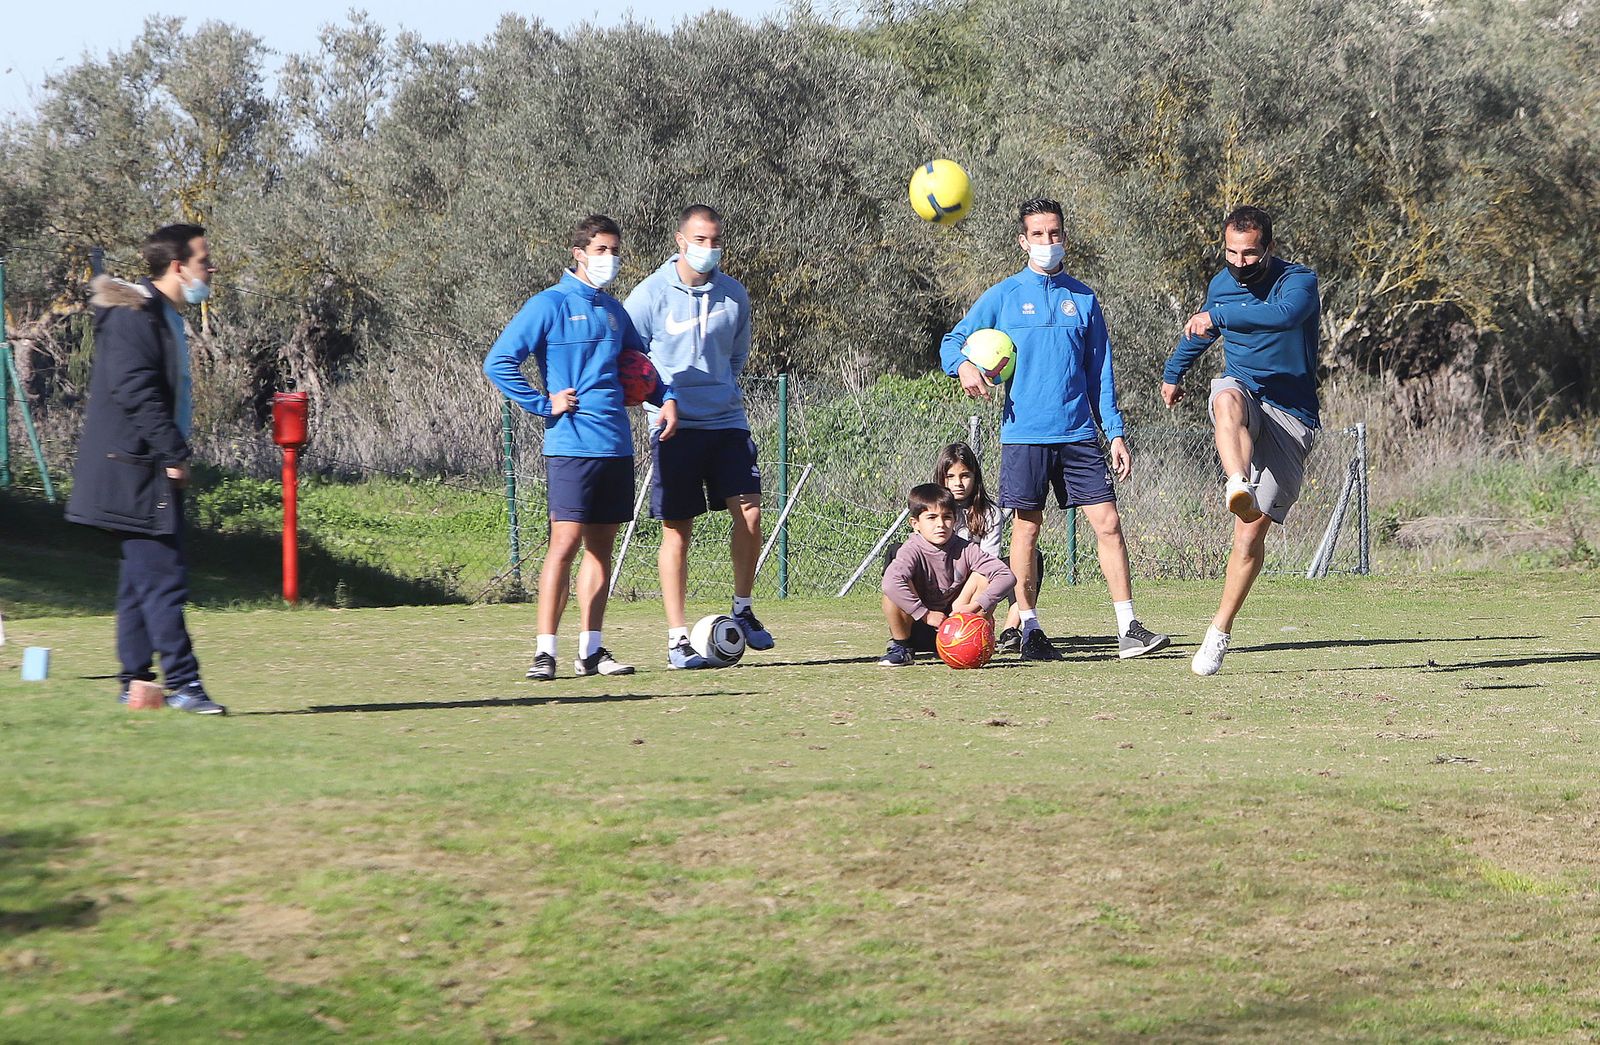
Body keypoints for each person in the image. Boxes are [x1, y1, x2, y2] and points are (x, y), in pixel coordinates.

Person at [940, 198, 1170, 661]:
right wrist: (963, 366)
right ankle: (1029, 630)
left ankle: (1129, 628)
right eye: (1039, 235)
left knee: (1108, 523)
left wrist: (1115, 431)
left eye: (1055, 233)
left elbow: (1099, 370)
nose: (1048, 242)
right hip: (1024, 435)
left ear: (1064, 236)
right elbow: (952, 341)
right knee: (1026, 530)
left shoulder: (1083, 298)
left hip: (1080, 433)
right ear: (1023, 241)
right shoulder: (1003, 295)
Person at [484, 214, 679, 680]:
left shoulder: (614, 311)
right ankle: (544, 652)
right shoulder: (548, 305)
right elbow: (499, 362)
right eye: (601, 250)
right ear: (578, 253)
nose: (609, 259)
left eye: (615, 251)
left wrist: (666, 399)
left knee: (600, 550)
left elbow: (641, 371)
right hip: (570, 444)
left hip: (615, 445)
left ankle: (591, 649)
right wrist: (541, 402)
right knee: (564, 544)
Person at [64, 223, 225, 714]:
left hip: (146, 469)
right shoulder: (136, 318)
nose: (210, 268)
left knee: (140, 580)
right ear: (178, 267)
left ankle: (135, 681)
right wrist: (173, 453)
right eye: (203, 260)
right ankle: (184, 685)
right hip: (135, 471)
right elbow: (136, 393)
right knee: (163, 578)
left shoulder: (165, 316)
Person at [1161, 205, 1320, 676]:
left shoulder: (1299, 282)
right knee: (1226, 396)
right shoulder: (1221, 285)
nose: (1239, 262)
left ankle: (1219, 630)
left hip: (1292, 414)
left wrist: (1219, 315)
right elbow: (1201, 332)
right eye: (1231, 252)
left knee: (1248, 538)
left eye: (1249, 254)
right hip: (1246, 390)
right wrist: (1174, 372)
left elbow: (1282, 318)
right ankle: (1237, 480)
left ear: (1268, 248)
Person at [623, 204, 772, 669]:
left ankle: (743, 610)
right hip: (674, 429)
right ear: (680, 240)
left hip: (727, 422)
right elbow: (631, 359)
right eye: (700, 240)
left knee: (750, 514)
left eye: (715, 240)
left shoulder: (734, 295)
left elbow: (736, 359)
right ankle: (676, 639)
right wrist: (658, 402)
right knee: (677, 532)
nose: (709, 249)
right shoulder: (648, 295)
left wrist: (719, 393)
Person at [879, 483, 1016, 666]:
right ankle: (902, 647)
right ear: (915, 524)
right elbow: (889, 583)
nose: (940, 525)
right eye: (931, 518)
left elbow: (1006, 575)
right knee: (893, 590)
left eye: (947, 517)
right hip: (920, 623)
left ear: (955, 520)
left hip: (956, 623)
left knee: (982, 577)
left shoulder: (966, 548)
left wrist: (975, 606)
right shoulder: (911, 549)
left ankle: (969, 642)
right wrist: (925, 614)